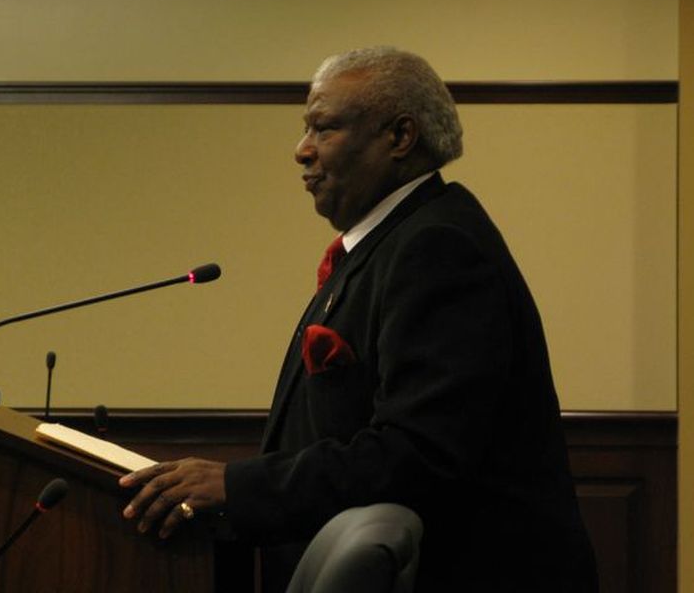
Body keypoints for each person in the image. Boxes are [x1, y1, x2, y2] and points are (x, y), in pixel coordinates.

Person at [119, 46, 598, 592]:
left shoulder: (439, 247)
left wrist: (236, 485)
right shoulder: (391, 244)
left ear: (399, 137)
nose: (302, 150)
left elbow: (419, 452)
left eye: (323, 128)